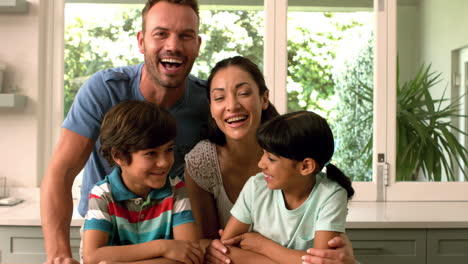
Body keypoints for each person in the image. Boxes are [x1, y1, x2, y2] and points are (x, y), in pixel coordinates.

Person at [40, 1, 208, 263]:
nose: (173, 46)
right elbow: (60, 174)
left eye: (185, 35)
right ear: (141, 41)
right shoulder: (104, 90)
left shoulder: (209, 100)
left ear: (197, 44)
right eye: (160, 33)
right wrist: (59, 256)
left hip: (171, 238)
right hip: (107, 239)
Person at [184, 56, 358, 264]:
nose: (232, 105)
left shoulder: (296, 143)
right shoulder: (245, 181)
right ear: (210, 107)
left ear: (264, 98)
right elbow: (216, 249)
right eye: (219, 97)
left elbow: (324, 260)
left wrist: (261, 245)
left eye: (244, 93)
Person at [218, 110, 354, 264]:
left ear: (306, 166)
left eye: (271, 158)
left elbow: (321, 262)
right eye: (263, 153)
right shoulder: (256, 187)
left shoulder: (331, 195)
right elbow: (224, 251)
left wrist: (262, 246)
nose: (261, 164)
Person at [82, 100, 207, 264]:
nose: (163, 162)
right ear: (119, 156)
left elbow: (190, 256)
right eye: (151, 154)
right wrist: (164, 247)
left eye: (169, 150)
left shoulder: (176, 189)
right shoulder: (103, 195)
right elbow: (92, 257)